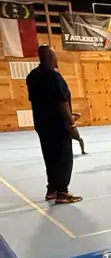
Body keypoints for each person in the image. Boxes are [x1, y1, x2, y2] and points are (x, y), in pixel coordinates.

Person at [26, 44, 82, 205]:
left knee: (50, 156)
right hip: (58, 125)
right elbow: (61, 102)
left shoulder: (32, 76)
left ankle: (52, 189)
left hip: (42, 124)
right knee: (63, 158)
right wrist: (70, 122)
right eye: (55, 55)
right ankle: (63, 192)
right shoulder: (53, 76)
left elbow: (42, 102)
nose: (57, 58)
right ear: (50, 57)